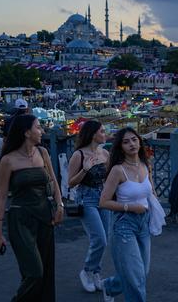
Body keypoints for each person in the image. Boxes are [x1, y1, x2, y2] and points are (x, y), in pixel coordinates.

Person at [0, 114, 64, 301]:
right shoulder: (8, 160)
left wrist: (60, 205)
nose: (42, 131)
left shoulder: (43, 153)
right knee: (34, 272)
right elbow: (1, 197)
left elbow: (54, 180)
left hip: (44, 216)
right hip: (21, 220)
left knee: (47, 272)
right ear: (26, 132)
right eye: (38, 127)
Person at [99, 127, 158, 302]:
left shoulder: (145, 165)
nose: (131, 144)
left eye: (134, 139)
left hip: (144, 222)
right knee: (135, 276)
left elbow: (151, 192)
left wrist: (155, 212)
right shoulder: (118, 170)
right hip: (124, 224)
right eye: (126, 142)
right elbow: (103, 202)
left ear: (140, 141)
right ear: (120, 147)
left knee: (142, 272)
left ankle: (110, 286)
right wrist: (130, 207)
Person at [67, 120, 111, 293]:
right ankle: (86, 271)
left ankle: (96, 273)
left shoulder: (105, 154)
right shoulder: (79, 155)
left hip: (103, 198)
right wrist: (85, 169)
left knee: (104, 238)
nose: (105, 133)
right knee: (99, 238)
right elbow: (70, 183)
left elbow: (108, 178)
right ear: (93, 134)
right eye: (102, 131)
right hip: (86, 199)